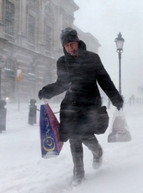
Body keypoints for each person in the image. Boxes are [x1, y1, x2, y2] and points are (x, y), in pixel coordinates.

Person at [38, 27, 123, 185]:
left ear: (77, 42)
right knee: (74, 139)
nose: (70, 48)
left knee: (86, 135)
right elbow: (62, 83)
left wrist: (116, 98)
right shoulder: (62, 62)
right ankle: (78, 173)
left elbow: (104, 79)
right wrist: (47, 91)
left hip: (90, 104)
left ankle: (97, 152)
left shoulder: (92, 58)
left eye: (72, 44)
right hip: (71, 105)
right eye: (66, 45)